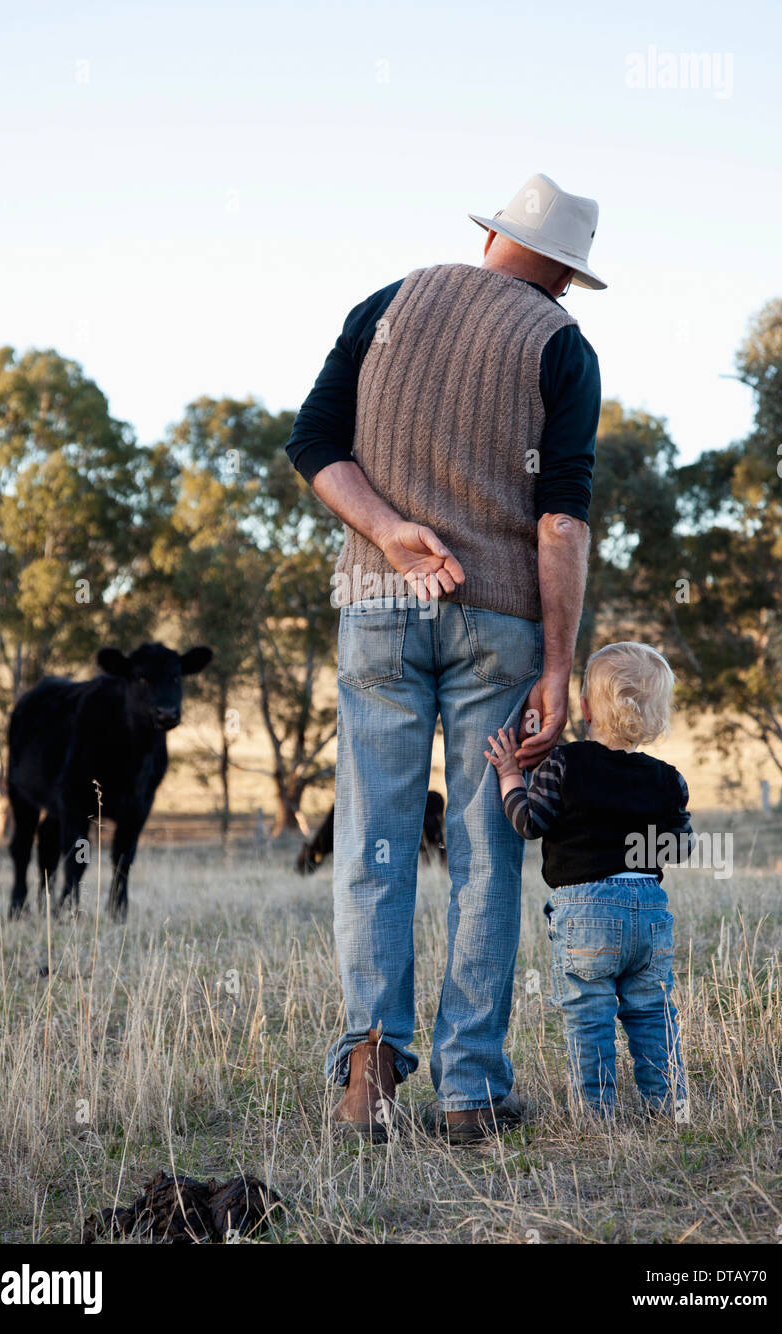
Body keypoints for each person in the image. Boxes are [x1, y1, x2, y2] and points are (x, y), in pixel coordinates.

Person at [285, 173, 605, 1143]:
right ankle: (469, 1090)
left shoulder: (385, 305)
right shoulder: (558, 345)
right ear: (560, 271)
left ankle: (368, 1076)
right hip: (499, 622)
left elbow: (313, 446)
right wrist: (557, 666)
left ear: (493, 240)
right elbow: (557, 517)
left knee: (374, 849)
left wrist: (387, 533)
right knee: (482, 854)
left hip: (380, 605)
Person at [485, 641, 693, 1118]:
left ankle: (596, 1114)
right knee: (653, 1014)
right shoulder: (668, 779)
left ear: (583, 707)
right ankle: (671, 1106)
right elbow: (680, 847)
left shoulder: (565, 764)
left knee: (589, 1017)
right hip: (648, 909)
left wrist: (509, 773)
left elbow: (528, 822)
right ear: (657, 715)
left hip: (585, 914)